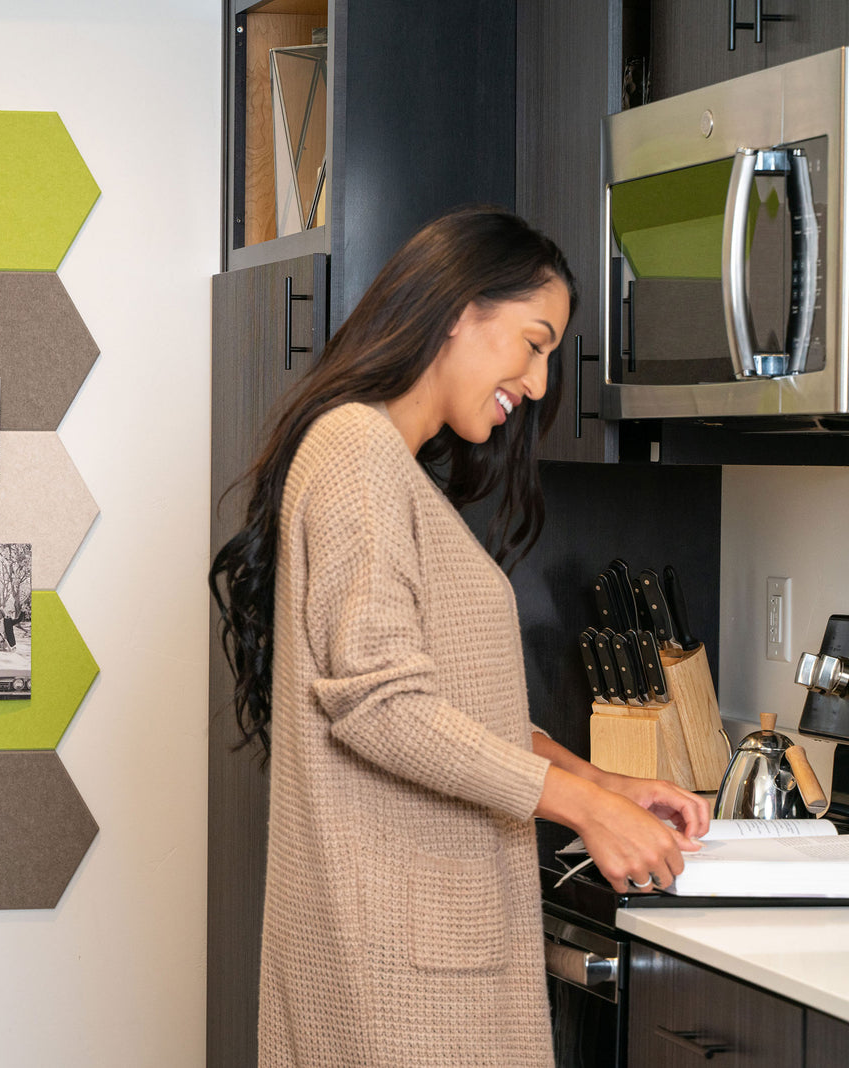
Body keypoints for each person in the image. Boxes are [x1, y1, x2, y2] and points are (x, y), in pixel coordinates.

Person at [208, 207, 709, 1067]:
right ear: (457, 310)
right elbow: (382, 707)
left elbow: (443, 709)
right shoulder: (358, 452)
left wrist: (596, 778)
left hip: (415, 958)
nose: (543, 382)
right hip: (398, 979)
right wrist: (582, 808)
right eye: (535, 342)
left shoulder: (383, 464)